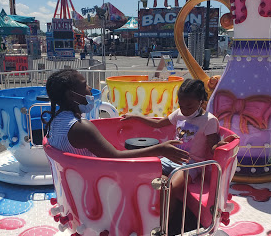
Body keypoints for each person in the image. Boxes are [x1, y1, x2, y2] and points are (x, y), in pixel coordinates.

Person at [121, 79, 238, 219]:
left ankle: (167, 222)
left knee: (173, 187)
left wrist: (222, 143)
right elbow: (158, 124)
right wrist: (136, 117)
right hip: (170, 158)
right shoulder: (179, 113)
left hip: (190, 164)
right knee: (143, 173)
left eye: (189, 107)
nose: (184, 110)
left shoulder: (209, 120)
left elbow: (212, 148)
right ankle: (147, 215)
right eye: (181, 105)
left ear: (201, 101)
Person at [42, 69, 190, 166]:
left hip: (73, 180)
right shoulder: (81, 128)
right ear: (71, 95)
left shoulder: (55, 121)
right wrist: (160, 149)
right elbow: (116, 157)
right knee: (163, 181)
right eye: (85, 85)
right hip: (94, 182)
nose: (89, 89)